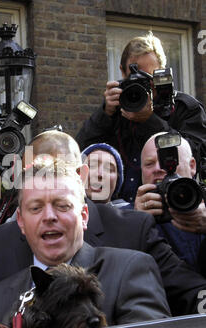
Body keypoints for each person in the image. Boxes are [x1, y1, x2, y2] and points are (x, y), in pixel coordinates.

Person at [0, 130, 206, 317]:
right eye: (35, 172)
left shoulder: (132, 233)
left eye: (60, 171)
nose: (49, 216)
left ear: (80, 174)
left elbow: (188, 292)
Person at [0, 160, 171, 327]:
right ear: (20, 221)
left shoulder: (130, 271)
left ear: (84, 215)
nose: (49, 217)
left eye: (62, 206)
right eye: (36, 208)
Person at [75, 31, 206, 203]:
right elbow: (79, 155)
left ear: (161, 74)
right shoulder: (115, 108)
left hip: (170, 204)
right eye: (134, 76)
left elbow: (195, 155)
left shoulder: (183, 107)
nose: (142, 84)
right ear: (122, 72)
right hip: (119, 211)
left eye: (148, 78)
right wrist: (104, 113)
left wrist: (149, 120)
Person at [131, 132, 206, 273]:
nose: (160, 168)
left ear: (192, 166)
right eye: (149, 163)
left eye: (170, 161)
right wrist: (137, 226)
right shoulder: (127, 218)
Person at [81, 142, 129, 207]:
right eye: (92, 166)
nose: (100, 174)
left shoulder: (131, 214)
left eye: (109, 169)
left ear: (117, 181)